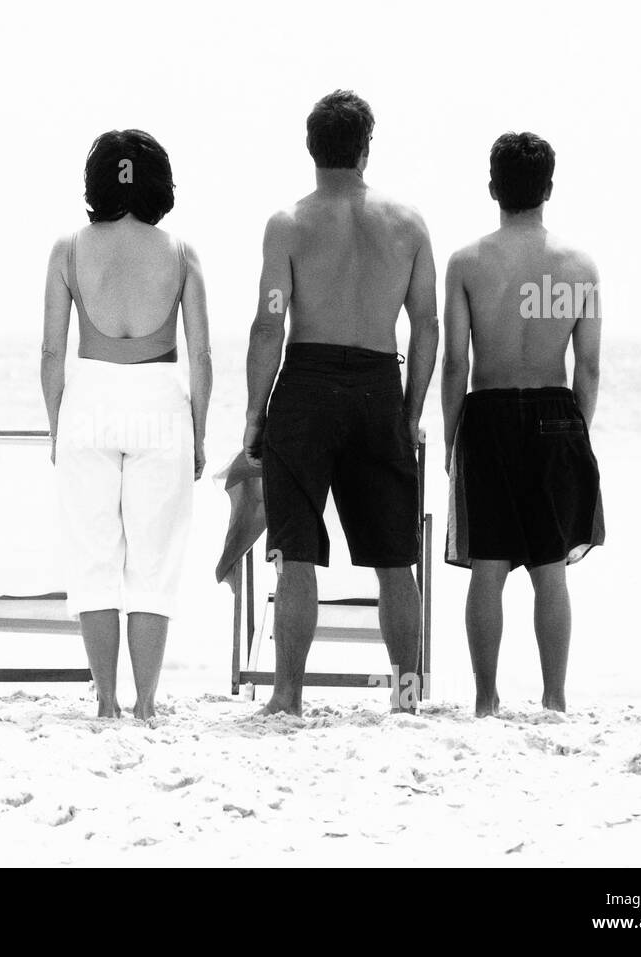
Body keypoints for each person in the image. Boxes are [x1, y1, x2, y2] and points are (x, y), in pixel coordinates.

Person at [243, 90, 439, 716]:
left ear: (311, 148)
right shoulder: (408, 224)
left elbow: (268, 323)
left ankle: (287, 694)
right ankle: (406, 698)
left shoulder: (289, 225)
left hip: (305, 387)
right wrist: (410, 411)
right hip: (379, 385)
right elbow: (427, 325)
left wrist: (254, 413)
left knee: (295, 551)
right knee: (395, 559)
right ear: (366, 148)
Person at [41, 129, 212, 720]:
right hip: (161, 399)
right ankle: (146, 704)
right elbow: (203, 357)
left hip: (88, 397)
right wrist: (200, 431)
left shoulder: (68, 248)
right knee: (153, 561)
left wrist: (55, 427)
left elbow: (48, 353)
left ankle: (107, 704)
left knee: (93, 556)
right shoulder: (182, 252)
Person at [442, 131, 604, 717]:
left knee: (487, 569)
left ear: (493, 188)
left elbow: (456, 362)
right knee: (550, 569)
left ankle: (486, 701)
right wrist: (576, 432)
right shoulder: (579, 267)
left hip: (487, 412)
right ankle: (554, 698)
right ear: (549, 189)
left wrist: (452, 435)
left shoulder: (466, 262)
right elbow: (586, 366)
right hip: (556, 414)